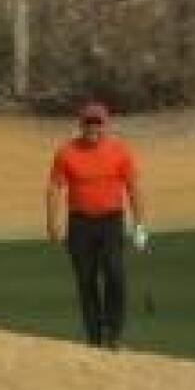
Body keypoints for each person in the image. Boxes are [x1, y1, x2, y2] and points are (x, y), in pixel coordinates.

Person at [45, 101, 149, 350]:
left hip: (111, 220)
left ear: (106, 125)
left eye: (98, 122)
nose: (93, 127)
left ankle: (114, 333)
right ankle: (94, 336)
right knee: (85, 279)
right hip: (80, 223)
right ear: (81, 125)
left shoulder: (120, 151)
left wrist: (140, 226)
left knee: (115, 274)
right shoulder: (66, 152)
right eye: (88, 122)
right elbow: (55, 188)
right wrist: (52, 223)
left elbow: (133, 188)